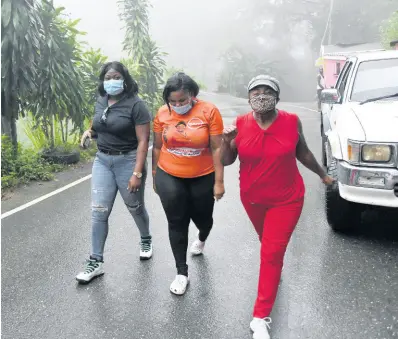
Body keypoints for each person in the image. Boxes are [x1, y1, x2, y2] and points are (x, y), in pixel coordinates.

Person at [221, 75, 334, 339]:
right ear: (248, 97)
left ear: (277, 96)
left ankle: (260, 317)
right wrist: (226, 141)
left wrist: (322, 174)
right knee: (267, 243)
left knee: (271, 252)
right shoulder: (240, 124)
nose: (261, 95)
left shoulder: (291, 122)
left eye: (267, 91)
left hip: (287, 199)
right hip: (252, 199)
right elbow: (227, 161)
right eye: (256, 91)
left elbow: (303, 152)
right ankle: (273, 270)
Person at [76, 61, 153, 284]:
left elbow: (143, 141)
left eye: (116, 76)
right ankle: (96, 261)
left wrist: (137, 173)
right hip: (102, 160)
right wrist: (89, 132)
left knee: (135, 207)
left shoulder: (136, 105)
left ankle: (146, 238)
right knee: (99, 211)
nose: (111, 81)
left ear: (125, 79)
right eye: (107, 77)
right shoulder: (101, 100)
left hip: (128, 160)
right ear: (103, 80)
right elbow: (99, 122)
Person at [152, 72, 225, 295]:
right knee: (176, 220)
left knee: (204, 219)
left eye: (182, 101)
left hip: (202, 174)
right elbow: (156, 147)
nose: (177, 105)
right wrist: (155, 174)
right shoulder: (163, 114)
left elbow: (217, 147)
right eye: (172, 102)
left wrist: (219, 181)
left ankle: (202, 237)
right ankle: (181, 272)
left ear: (192, 95)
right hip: (169, 172)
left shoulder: (208, 111)